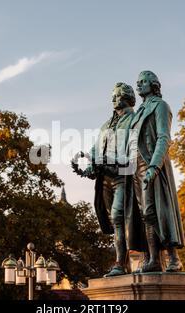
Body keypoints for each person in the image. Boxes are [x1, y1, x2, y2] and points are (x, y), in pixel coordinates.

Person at [74, 82, 146, 277]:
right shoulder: (106, 125)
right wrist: (89, 166)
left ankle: (120, 263)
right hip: (104, 179)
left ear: (127, 97)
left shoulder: (134, 120)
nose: (112, 99)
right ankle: (123, 264)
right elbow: (95, 150)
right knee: (115, 224)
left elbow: (134, 151)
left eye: (116, 95)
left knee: (118, 217)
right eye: (112, 96)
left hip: (123, 177)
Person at [125, 71, 185, 272]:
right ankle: (153, 259)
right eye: (138, 82)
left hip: (151, 165)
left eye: (143, 81)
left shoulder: (160, 106)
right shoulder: (139, 112)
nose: (139, 84)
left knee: (157, 211)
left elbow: (163, 138)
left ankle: (173, 257)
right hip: (135, 168)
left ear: (154, 84)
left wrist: (154, 166)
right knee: (145, 215)